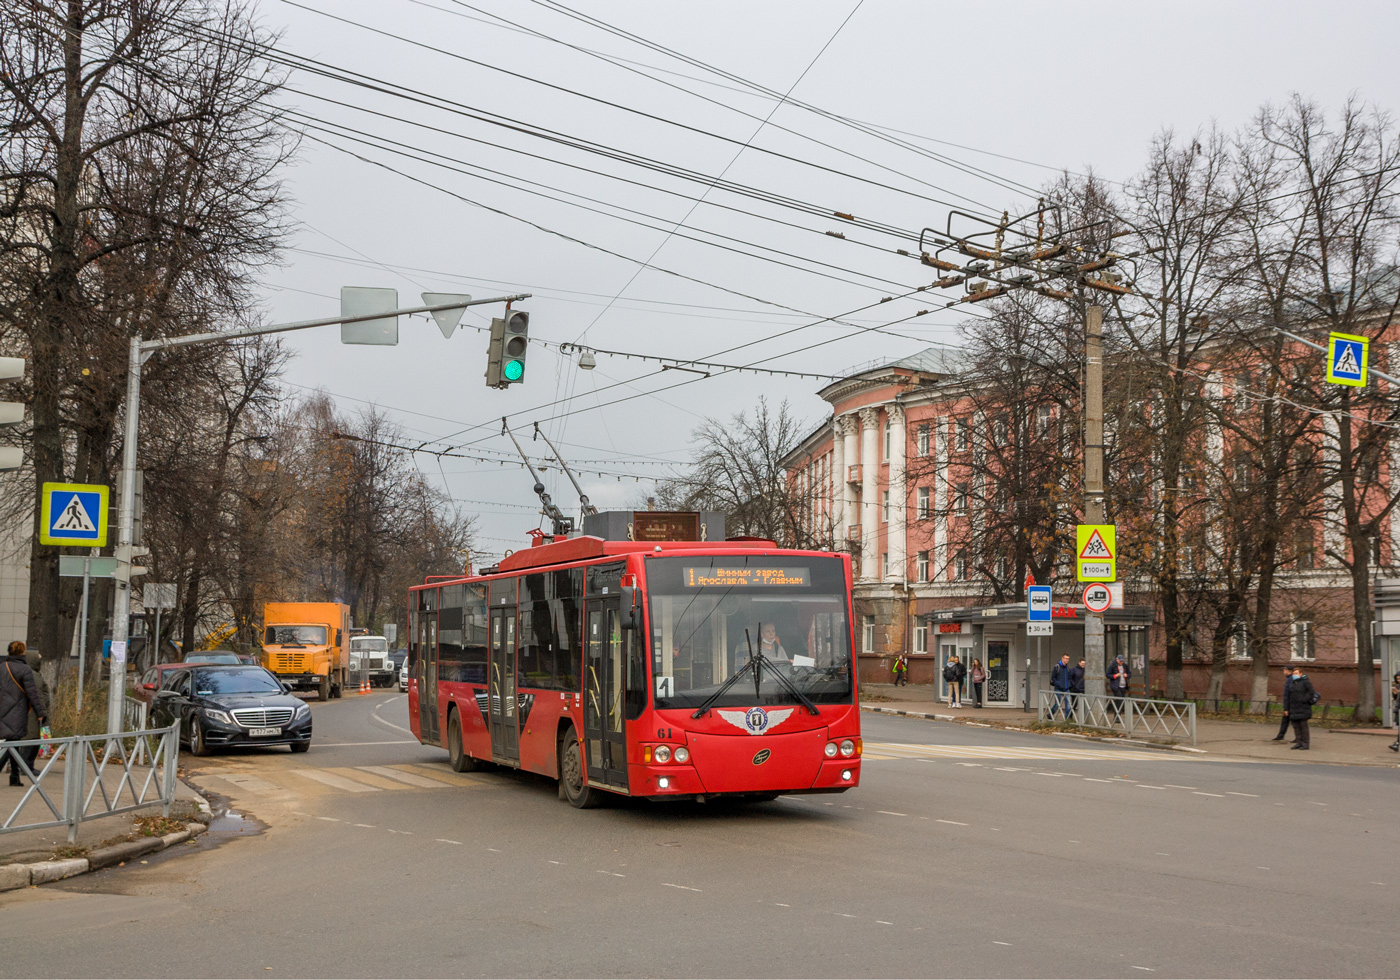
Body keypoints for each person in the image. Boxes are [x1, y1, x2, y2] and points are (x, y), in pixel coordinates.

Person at [1, 640, 48, 787]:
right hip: (18, 711)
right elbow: (32, 693)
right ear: (22, 653)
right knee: (12, 744)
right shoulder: (25, 669)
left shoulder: (2, 667)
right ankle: (13, 776)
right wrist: (40, 712)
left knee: (12, 743)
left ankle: (15, 777)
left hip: (2, 710)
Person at [1284, 664, 1316, 750]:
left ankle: (1305, 743)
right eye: (1294, 673)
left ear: (1301, 674)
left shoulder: (1306, 682)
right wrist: (1286, 708)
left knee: (1303, 726)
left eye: (1296, 673)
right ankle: (1298, 742)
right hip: (1293, 707)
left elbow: (1311, 692)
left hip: (1303, 707)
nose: (1295, 675)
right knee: (1296, 727)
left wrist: (1303, 700)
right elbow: (1288, 696)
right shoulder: (1292, 683)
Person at [1272, 665, 1296, 742]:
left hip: (1291, 705)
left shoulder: (1290, 679)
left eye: (1284, 670)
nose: (1283, 672)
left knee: (1294, 721)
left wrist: (1286, 707)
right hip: (1291, 704)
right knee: (1286, 720)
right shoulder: (1291, 679)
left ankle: (1298, 737)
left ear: (1287, 670)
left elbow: (1287, 694)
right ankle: (1281, 735)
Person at [1107, 653, 1132, 718]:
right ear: (1117, 660)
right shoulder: (1112, 666)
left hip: (1123, 686)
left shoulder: (1125, 666)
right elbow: (1107, 674)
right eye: (1120, 661)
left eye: (1122, 661)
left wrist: (1127, 675)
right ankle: (1117, 717)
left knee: (1121, 701)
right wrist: (1115, 676)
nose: (1121, 662)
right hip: (1116, 686)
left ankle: (1118, 716)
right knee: (1119, 700)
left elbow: (1129, 673)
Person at [1050, 654, 1074, 720]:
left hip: (1066, 688)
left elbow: (1069, 677)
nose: (1067, 660)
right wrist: (1057, 684)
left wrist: (1069, 684)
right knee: (1057, 704)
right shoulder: (1057, 666)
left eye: (1068, 659)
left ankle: (1066, 719)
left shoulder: (1068, 667)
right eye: (1066, 658)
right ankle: (1050, 714)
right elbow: (1053, 677)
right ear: (1062, 658)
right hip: (1058, 688)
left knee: (1069, 704)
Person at [1388, 670, 1399, 753]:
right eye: (1397, 679)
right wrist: (1394, 694)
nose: (1399, 680)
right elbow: (1396, 699)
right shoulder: (1398, 686)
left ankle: (1397, 744)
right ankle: (1396, 744)